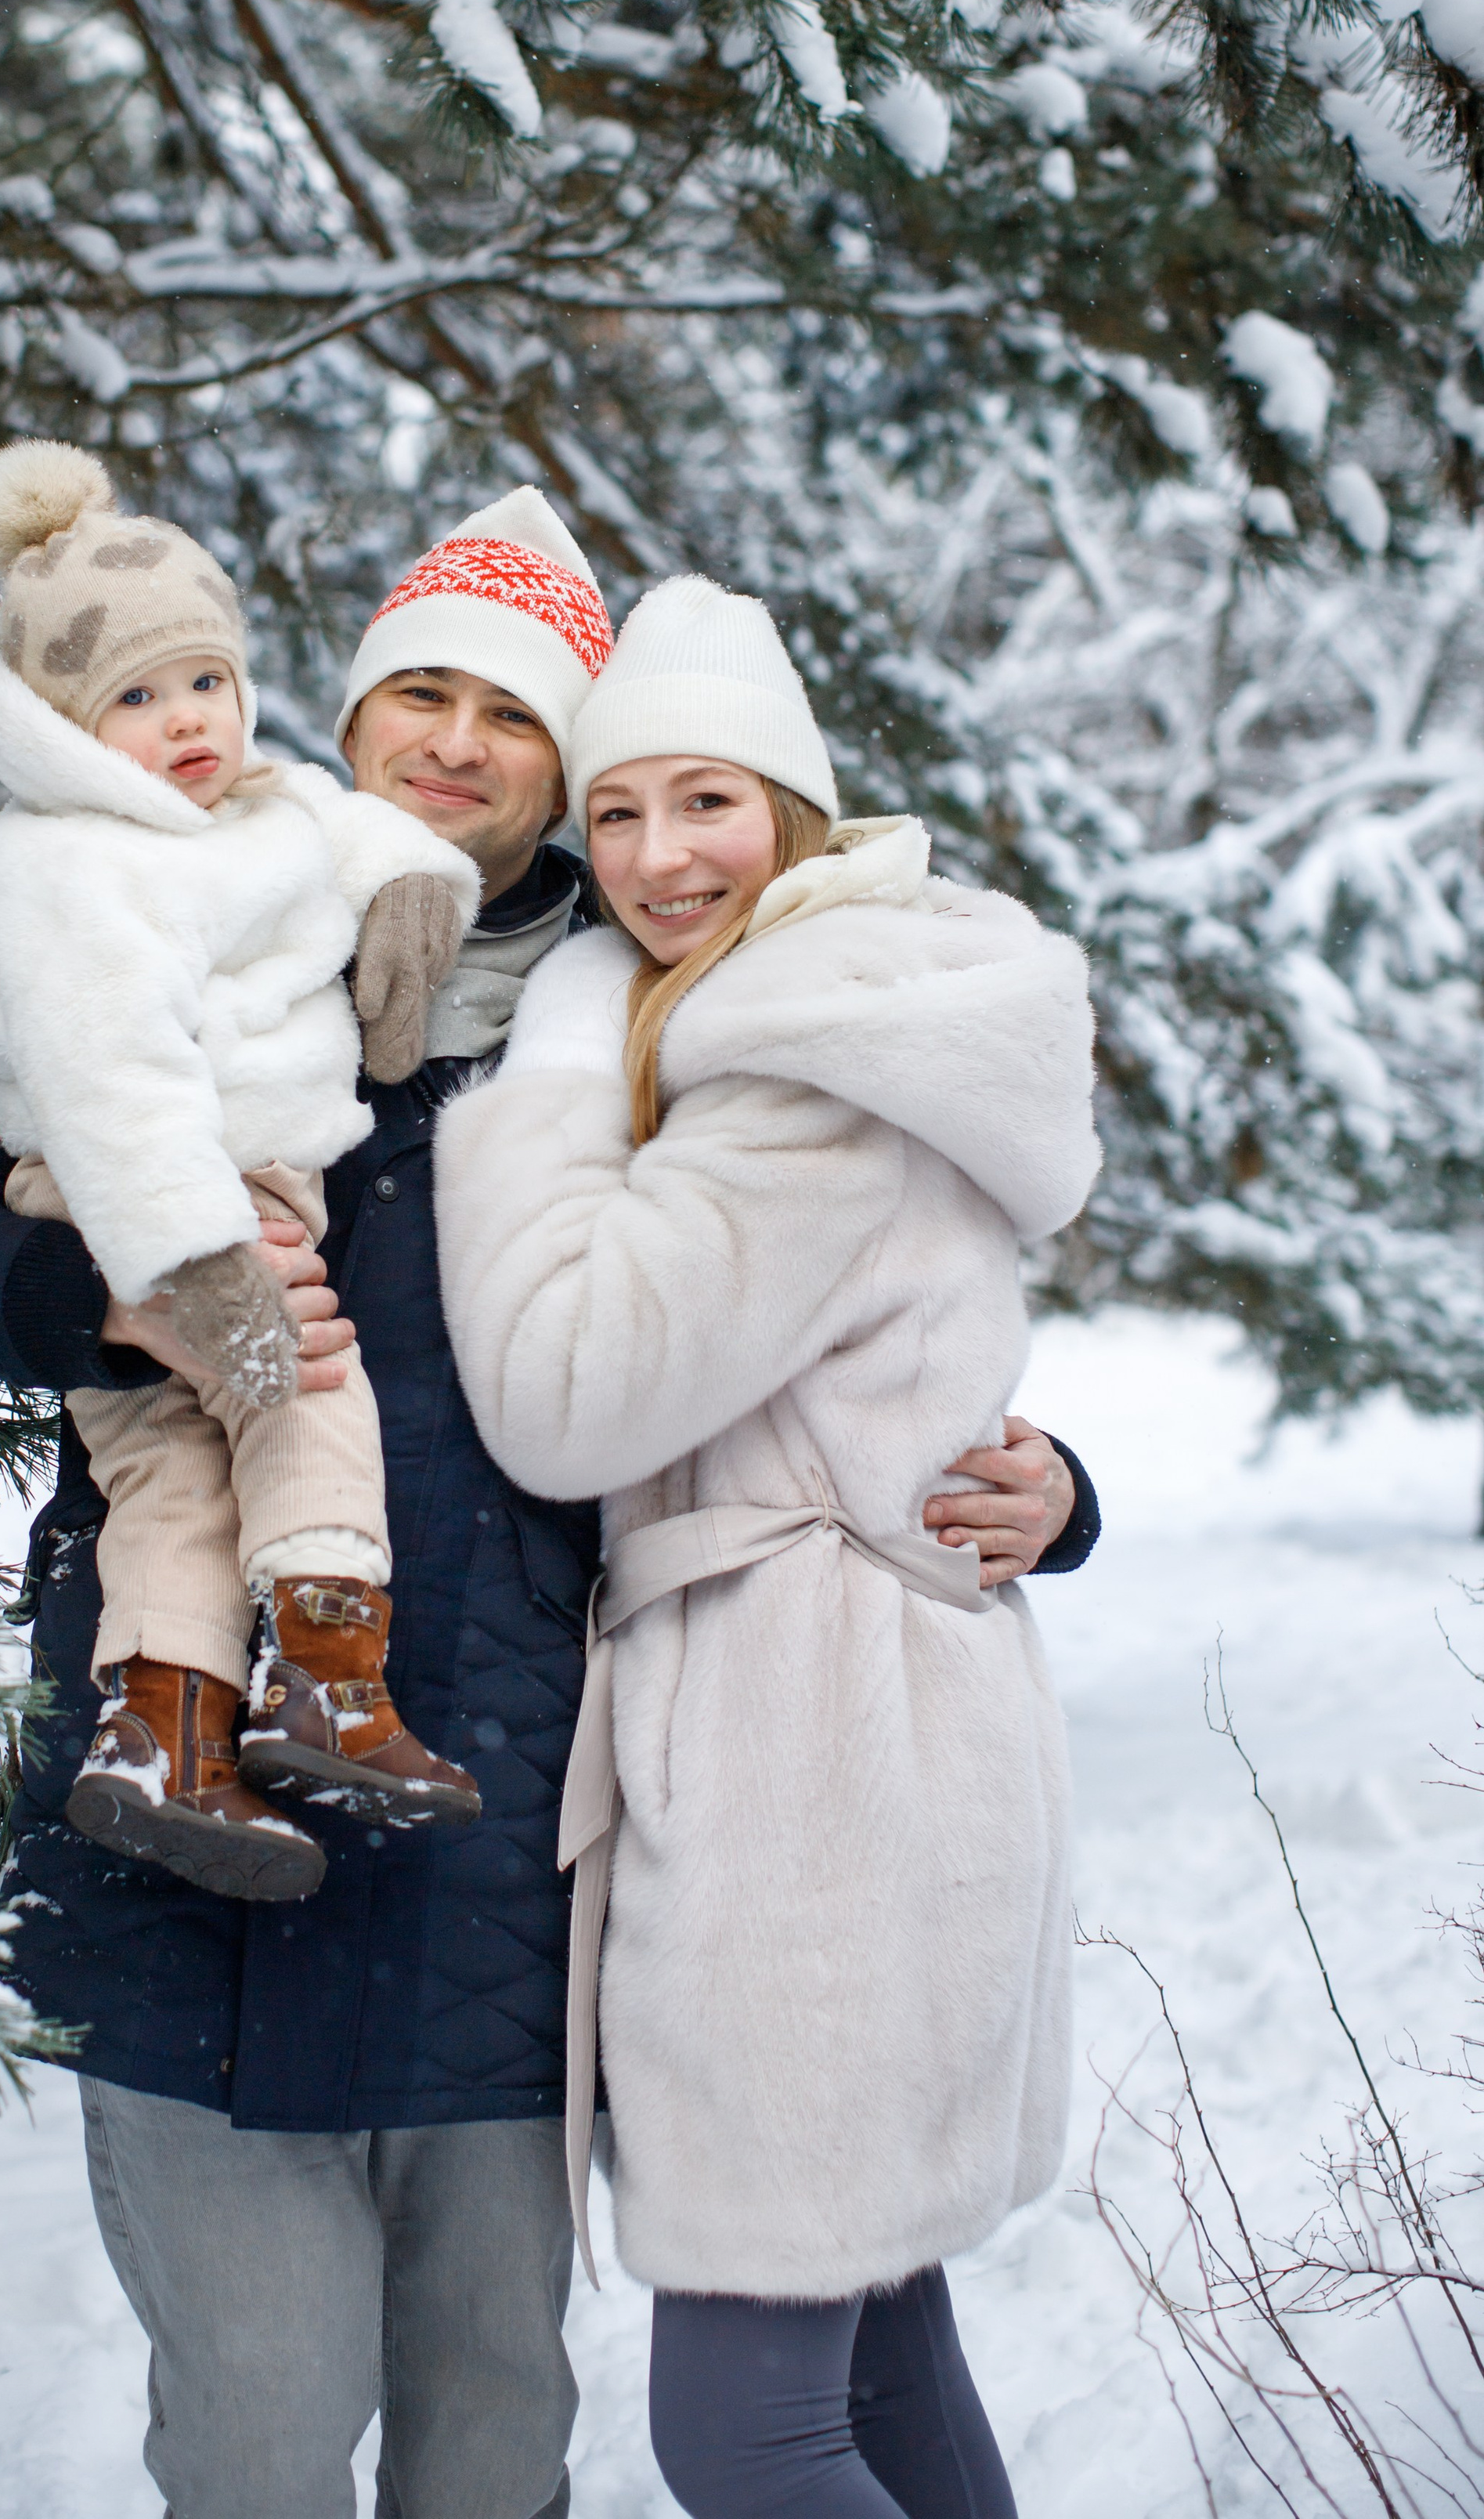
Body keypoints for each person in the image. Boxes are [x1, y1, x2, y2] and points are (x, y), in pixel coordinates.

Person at [0, 497, 1103, 2519]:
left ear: (573, 773)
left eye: (512, 716)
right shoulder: (192, 937)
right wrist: (110, 1301)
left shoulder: (655, 1015)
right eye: (413, 690)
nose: (452, 741)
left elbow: (858, 1302)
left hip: (504, 1850)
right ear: (344, 713)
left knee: (496, 2434)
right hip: (192, 1806)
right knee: (256, 2436)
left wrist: (1040, 1484)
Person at [433, 575, 1103, 2518]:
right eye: (617, 813)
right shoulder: (846, 1018)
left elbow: (564, 1390)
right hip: (874, 1733)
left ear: (795, 816)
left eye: (705, 801)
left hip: (815, 1785)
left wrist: (554, 1068)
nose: (652, 859)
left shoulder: (799, 1073)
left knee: (742, 2424)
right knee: (878, 2361)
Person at [0, 436, 484, 1896]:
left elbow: (365, 837)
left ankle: (163, 1739)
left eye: (206, 681)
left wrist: (409, 904)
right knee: (306, 1390)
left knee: (173, 1482)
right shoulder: (67, 858)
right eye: (135, 695)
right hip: (160, 1195)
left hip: (214, 1184)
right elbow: (106, 1074)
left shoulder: (264, 803)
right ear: (68, 720)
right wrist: (194, 1264)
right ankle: (323, 1675)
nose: (187, 720)